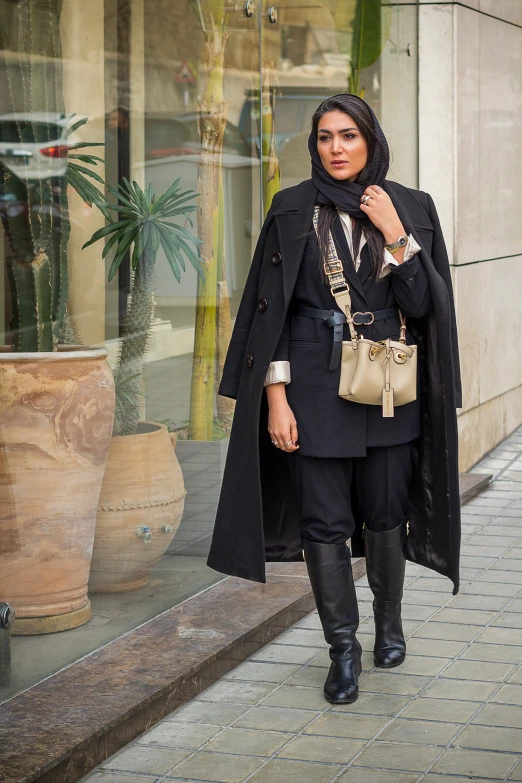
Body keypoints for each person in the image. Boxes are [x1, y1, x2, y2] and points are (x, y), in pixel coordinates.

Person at [207, 94, 461, 705]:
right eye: (325, 137)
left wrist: (395, 233)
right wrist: (276, 400)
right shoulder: (291, 208)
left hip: (386, 387)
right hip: (314, 389)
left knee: (385, 516)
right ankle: (342, 651)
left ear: (370, 140)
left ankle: (389, 624)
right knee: (324, 523)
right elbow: (270, 313)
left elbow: (426, 306)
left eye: (349, 135)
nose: (337, 148)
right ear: (315, 145)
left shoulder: (411, 207)